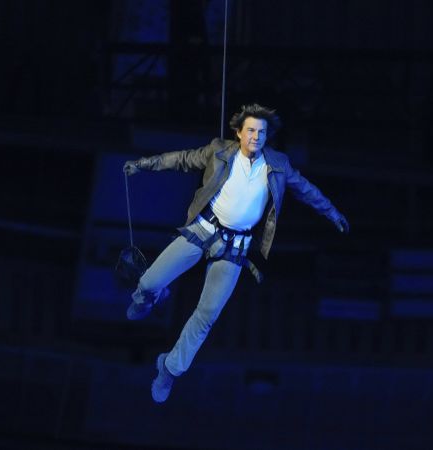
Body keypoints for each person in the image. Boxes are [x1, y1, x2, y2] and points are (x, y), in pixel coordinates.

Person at [123, 103, 349, 403]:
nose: (256, 137)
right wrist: (143, 164)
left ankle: (169, 368)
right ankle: (146, 299)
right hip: (203, 230)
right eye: (251, 130)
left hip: (235, 248)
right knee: (150, 282)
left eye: (262, 132)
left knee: (206, 316)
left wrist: (331, 211)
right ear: (239, 133)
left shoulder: (277, 164)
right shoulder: (219, 151)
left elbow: (305, 189)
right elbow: (182, 159)